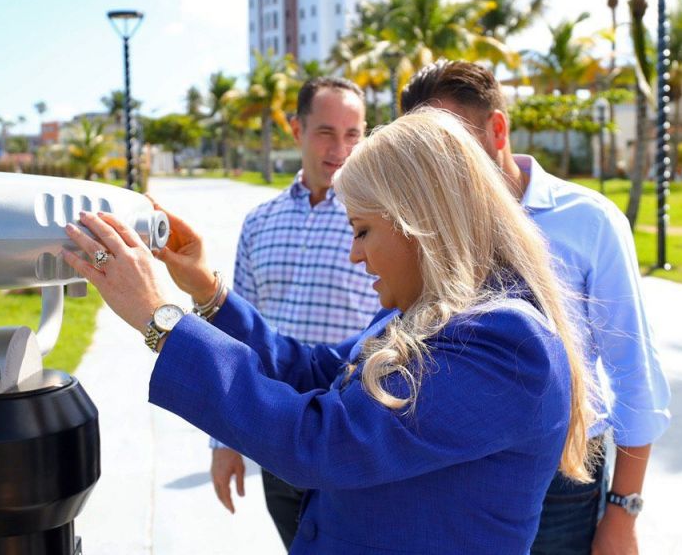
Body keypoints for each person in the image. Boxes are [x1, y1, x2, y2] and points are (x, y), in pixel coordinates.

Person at [62, 109, 598, 554]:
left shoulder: (505, 345)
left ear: (423, 224)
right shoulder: (428, 316)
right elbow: (314, 372)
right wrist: (208, 291)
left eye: (362, 230)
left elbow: (324, 443)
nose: (355, 254)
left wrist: (161, 319)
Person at [399, 60, 671, 555]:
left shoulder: (588, 221)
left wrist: (623, 511)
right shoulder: (419, 231)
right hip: (450, 475)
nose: (437, 170)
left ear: (497, 130)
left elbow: (634, 369)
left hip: (562, 485)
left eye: (452, 148)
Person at [211, 76, 381, 548]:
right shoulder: (259, 222)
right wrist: (224, 441)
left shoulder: (380, 222)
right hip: (276, 438)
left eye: (353, 134)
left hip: (352, 440)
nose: (341, 149)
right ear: (296, 130)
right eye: (326, 132)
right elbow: (237, 337)